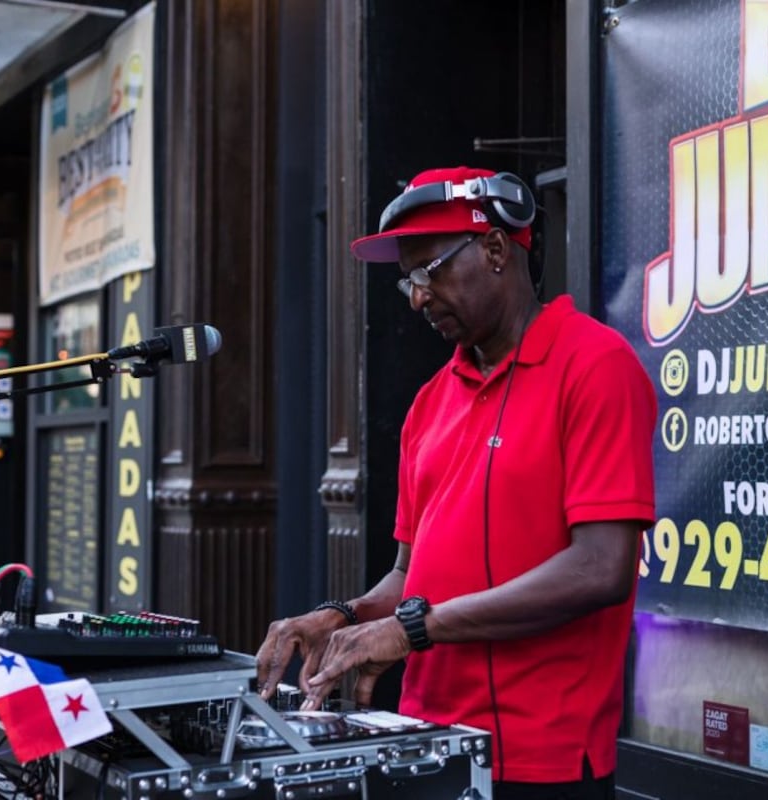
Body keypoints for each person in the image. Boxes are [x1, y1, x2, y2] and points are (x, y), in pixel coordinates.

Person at [255, 166, 657, 799]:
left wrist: (412, 629)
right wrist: (342, 616)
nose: (417, 299)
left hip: (542, 762)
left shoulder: (596, 365)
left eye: (429, 272)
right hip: (425, 742)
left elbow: (600, 568)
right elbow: (409, 577)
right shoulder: (429, 401)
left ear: (495, 249)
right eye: (408, 282)